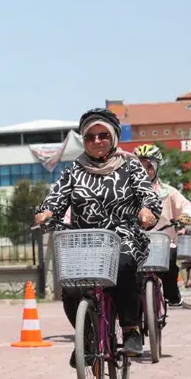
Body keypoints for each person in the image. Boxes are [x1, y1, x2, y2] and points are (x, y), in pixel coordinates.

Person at [35, 108, 161, 357]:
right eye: (90, 137)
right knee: (70, 287)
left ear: (113, 137)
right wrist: (46, 212)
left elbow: (149, 195)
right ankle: (87, 337)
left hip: (123, 236)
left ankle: (130, 330)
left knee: (124, 266)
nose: (97, 141)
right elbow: (55, 199)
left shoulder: (130, 166)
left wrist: (148, 211)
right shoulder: (74, 170)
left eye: (103, 135)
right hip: (86, 240)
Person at [133, 144, 191, 306]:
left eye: (149, 166)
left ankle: (171, 294)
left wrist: (185, 215)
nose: (145, 170)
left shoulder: (167, 192)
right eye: (140, 166)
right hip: (136, 241)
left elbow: (186, 206)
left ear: (156, 167)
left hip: (163, 242)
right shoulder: (127, 192)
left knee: (170, 264)